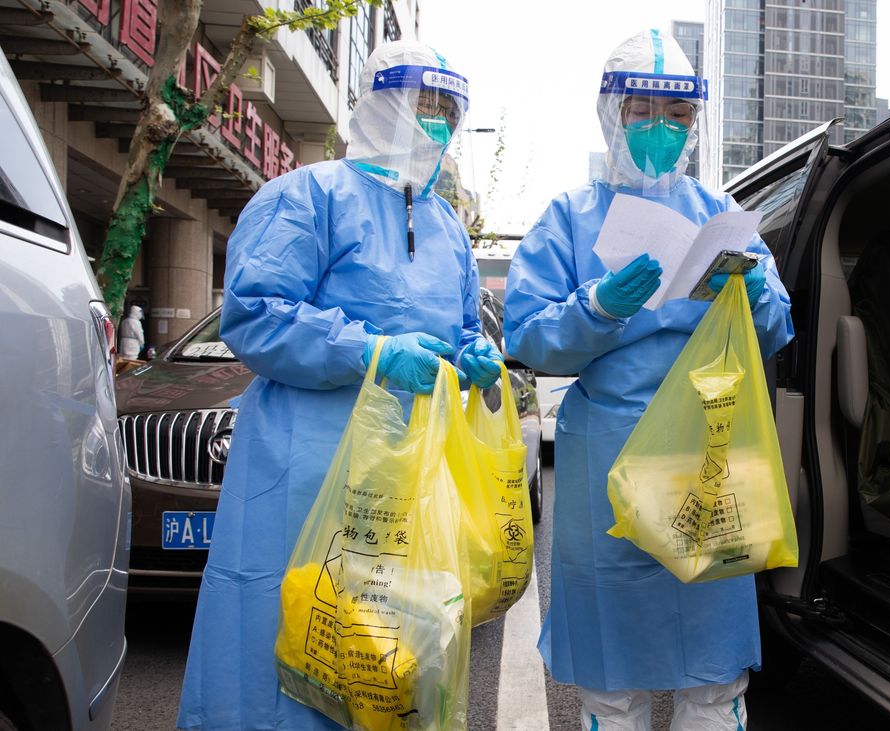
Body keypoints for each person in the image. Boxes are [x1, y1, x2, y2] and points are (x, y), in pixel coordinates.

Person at [176, 40, 501, 730]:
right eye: (423, 107)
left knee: (392, 645)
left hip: (406, 474)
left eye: (448, 112)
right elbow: (256, 315)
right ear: (378, 107)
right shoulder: (307, 195)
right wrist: (372, 352)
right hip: (305, 467)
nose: (436, 126)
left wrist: (477, 357)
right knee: (287, 643)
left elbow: (462, 325)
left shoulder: (445, 225)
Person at [503, 29, 794, 731]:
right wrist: (598, 306)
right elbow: (528, 335)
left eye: (679, 116)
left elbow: (777, 324)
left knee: (715, 670)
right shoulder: (568, 218)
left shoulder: (719, 214)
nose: (662, 129)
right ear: (612, 113)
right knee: (612, 671)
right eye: (645, 111)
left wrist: (753, 289)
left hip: (709, 453)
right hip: (609, 456)